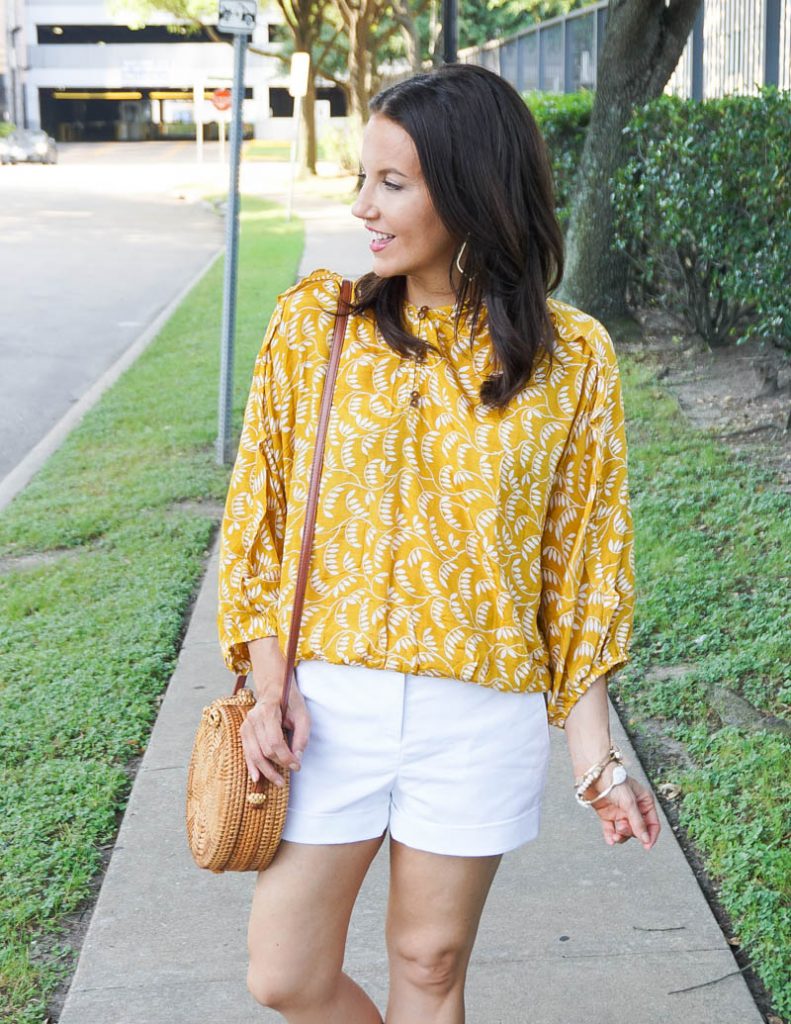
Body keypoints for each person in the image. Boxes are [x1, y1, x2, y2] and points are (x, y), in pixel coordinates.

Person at [217, 63, 660, 1024]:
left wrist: (597, 763)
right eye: (363, 179)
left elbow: (576, 568)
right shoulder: (316, 325)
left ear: (469, 188)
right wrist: (266, 681)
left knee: (429, 964)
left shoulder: (570, 356)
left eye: (392, 182)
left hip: (479, 710)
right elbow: (261, 519)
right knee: (283, 974)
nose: (363, 208)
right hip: (327, 709)